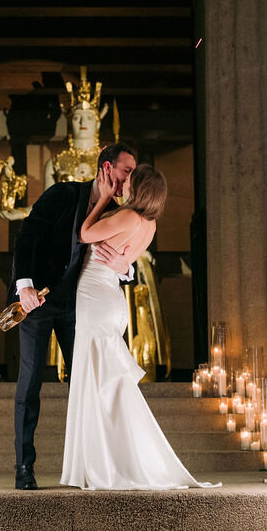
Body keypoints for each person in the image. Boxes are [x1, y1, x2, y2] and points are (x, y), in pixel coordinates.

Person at [60, 163, 216, 490]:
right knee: (110, 387)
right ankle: (117, 456)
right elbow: (124, 261)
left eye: (129, 180)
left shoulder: (129, 216)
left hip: (96, 299)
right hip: (110, 300)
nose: (123, 184)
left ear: (140, 187)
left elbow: (85, 235)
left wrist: (102, 200)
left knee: (100, 385)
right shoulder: (150, 225)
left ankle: (108, 461)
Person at [9, 142, 138, 490]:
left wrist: (125, 268)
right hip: (37, 302)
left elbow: (128, 259)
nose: (131, 178)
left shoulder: (117, 212)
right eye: (127, 170)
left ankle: (96, 466)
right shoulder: (62, 194)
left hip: (78, 309)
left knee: (89, 384)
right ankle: (24, 467)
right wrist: (24, 286)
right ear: (107, 168)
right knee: (30, 383)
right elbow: (26, 237)